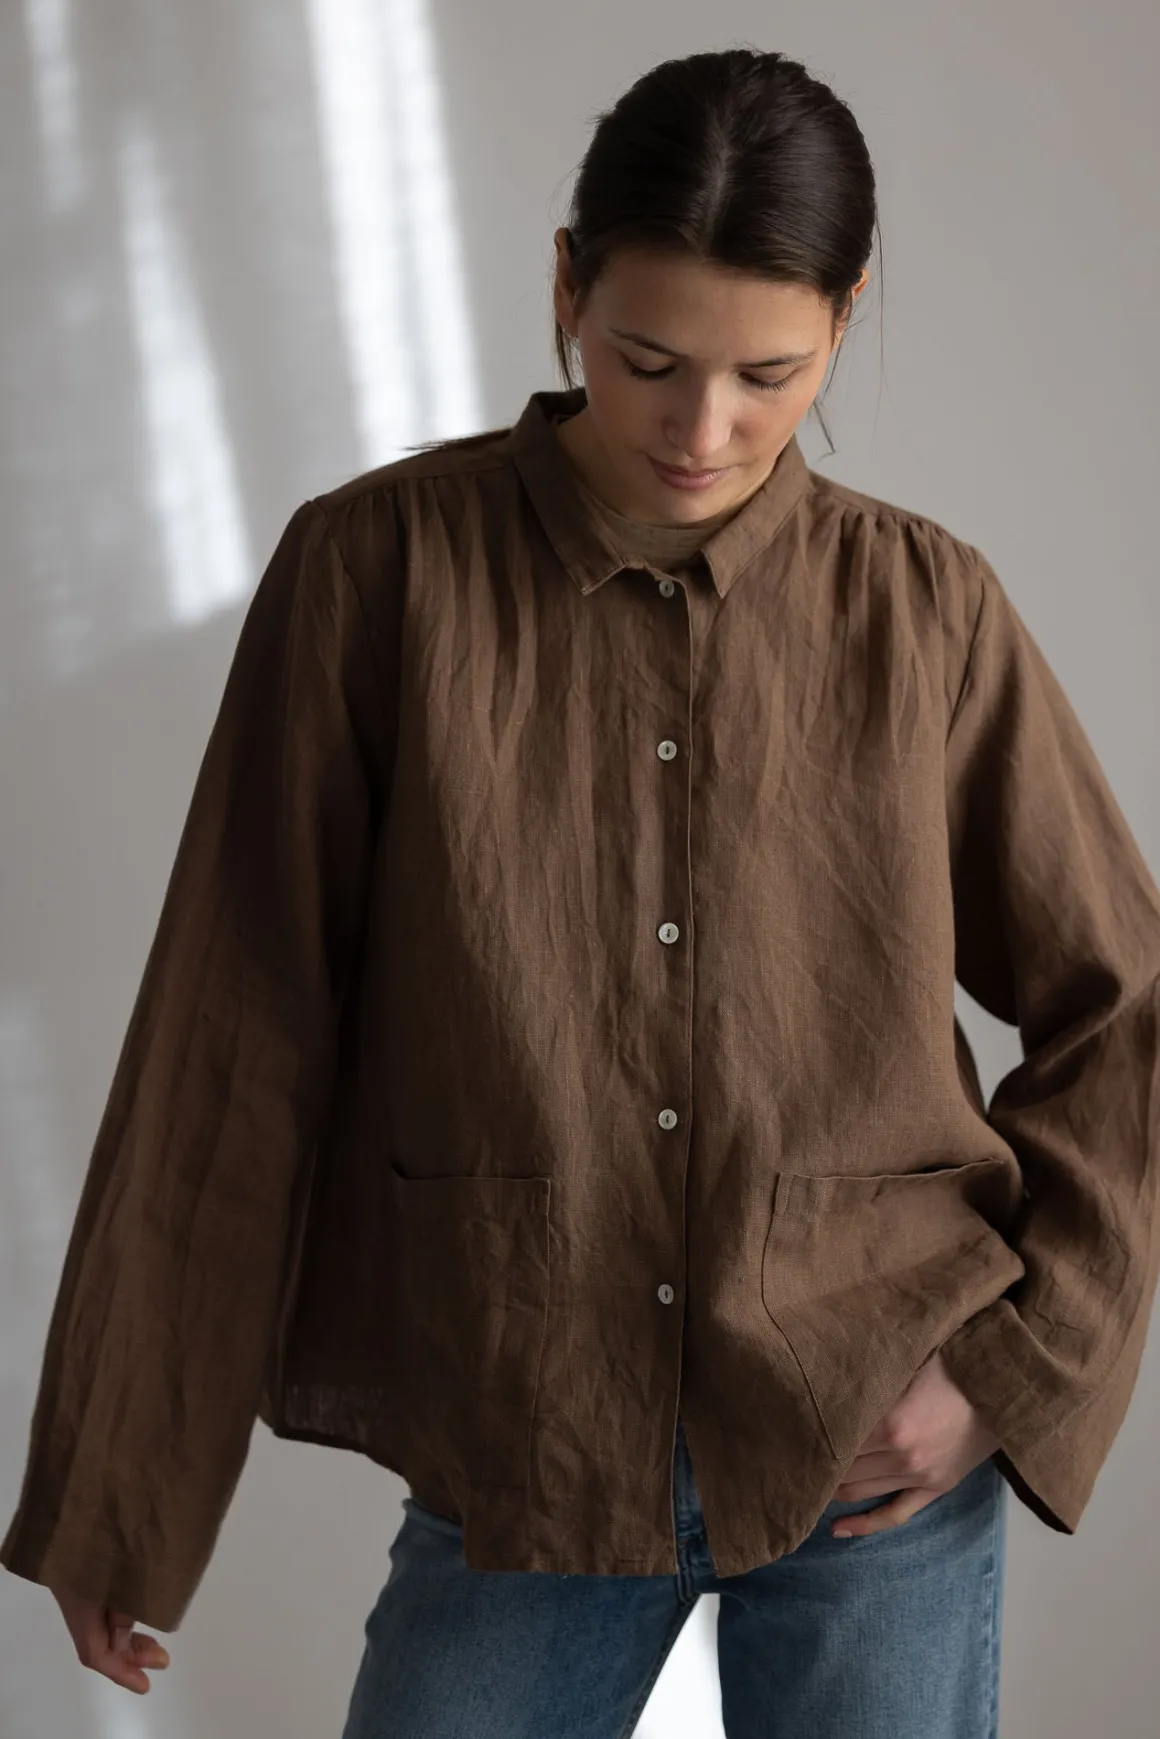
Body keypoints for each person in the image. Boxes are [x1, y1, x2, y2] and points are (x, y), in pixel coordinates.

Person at [4, 44, 1160, 1739]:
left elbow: (1126, 1005)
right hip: (526, 1440)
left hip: (873, 1449)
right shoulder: (377, 576)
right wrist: (126, 1486)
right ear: (566, 287)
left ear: (845, 316)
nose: (704, 429)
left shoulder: (926, 610)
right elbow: (231, 1035)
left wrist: (1006, 1372)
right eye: (648, 361)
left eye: (770, 373)